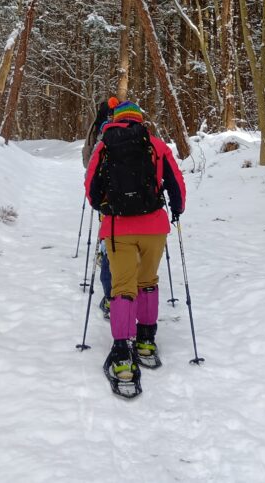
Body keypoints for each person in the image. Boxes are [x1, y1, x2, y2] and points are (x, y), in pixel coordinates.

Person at [85, 100, 185, 391]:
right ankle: (145, 340)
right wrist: (176, 209)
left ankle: (121, 353)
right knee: (148, 282)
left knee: (122, 287)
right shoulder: (156, 145)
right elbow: (176, 183)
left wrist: (105, 206)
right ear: (141, 119)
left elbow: (91, 189)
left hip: (118, 229)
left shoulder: (104, 146)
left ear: (116, 118)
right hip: (154, 227)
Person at [82, 96, 119, 318]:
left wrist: (90, 175)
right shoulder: (129, 126)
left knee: (106, 225)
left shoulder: (98, 126)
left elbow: (87, 152)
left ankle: (110, 296)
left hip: (104, 191)